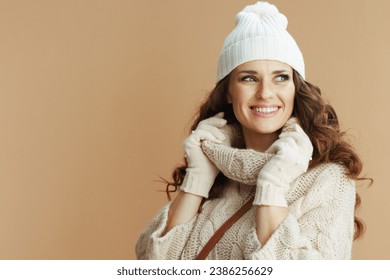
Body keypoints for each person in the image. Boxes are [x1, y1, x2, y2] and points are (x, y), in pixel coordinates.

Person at [136, 1, 368, 260]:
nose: (266, 93)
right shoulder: (216, 170)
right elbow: (150, 263)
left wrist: (272, 184)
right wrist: (197, 178)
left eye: (281, 77)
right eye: (249, 78)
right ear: (228, 91)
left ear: (296, 88)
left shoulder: (328, 181)